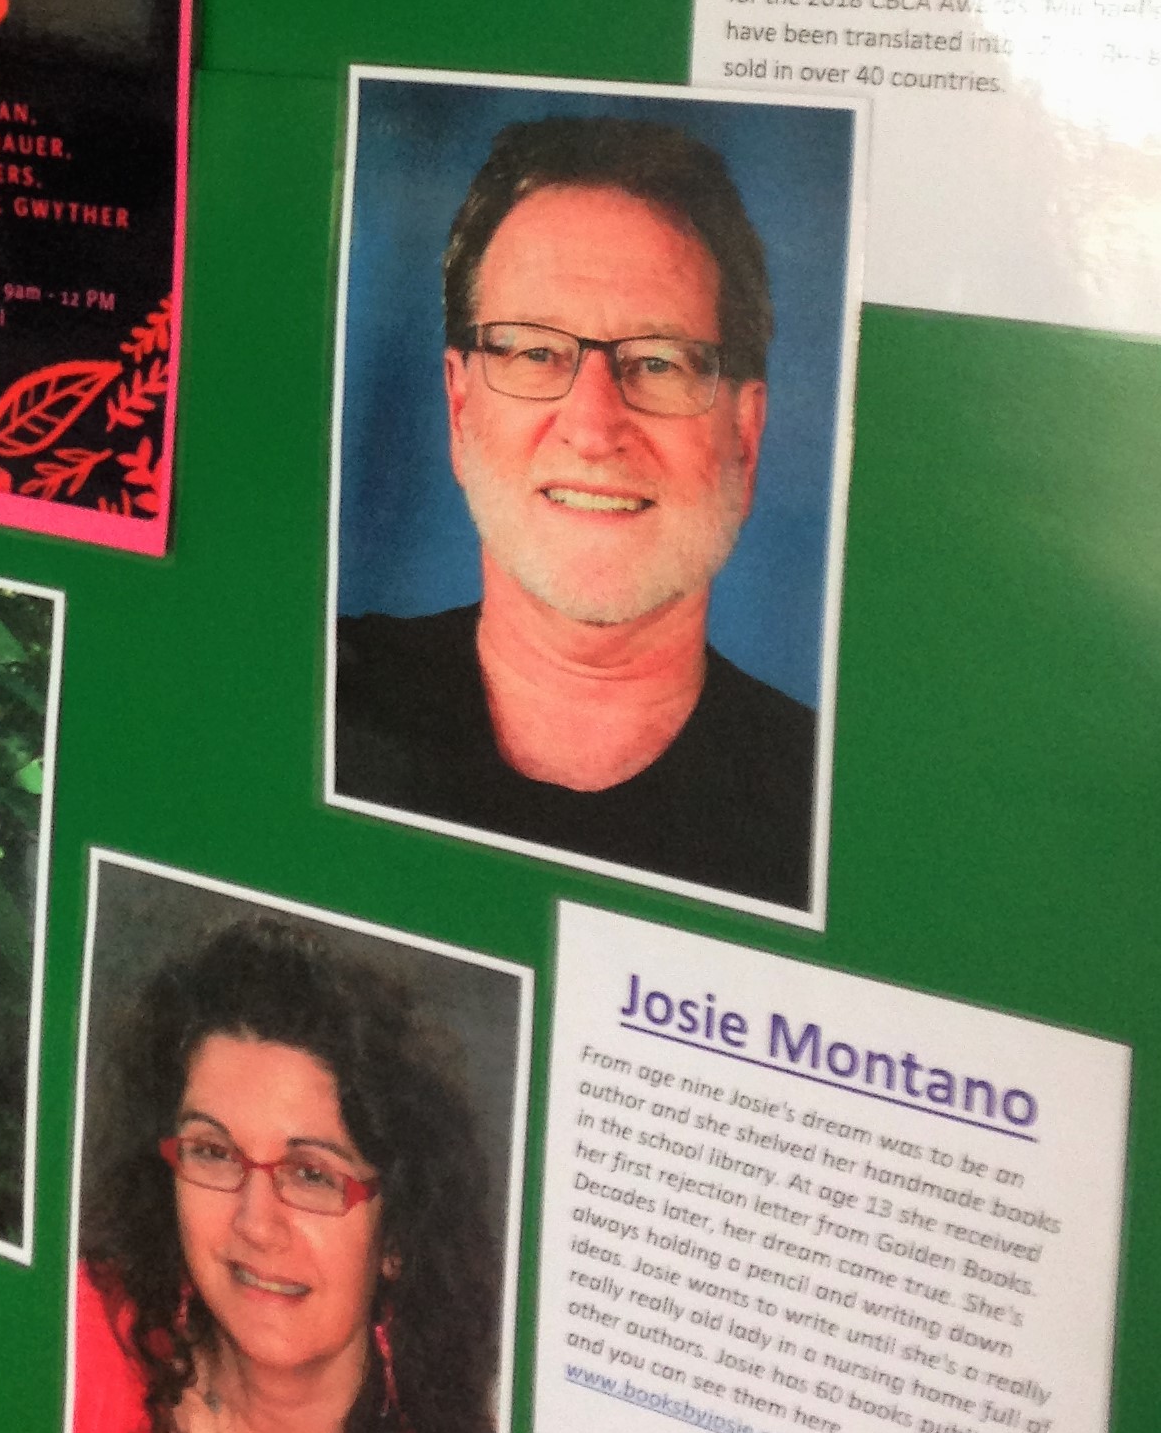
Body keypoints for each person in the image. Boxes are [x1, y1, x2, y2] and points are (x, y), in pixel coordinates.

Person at [333, 117, 815, 911]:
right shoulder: (316, 695)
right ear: (458, 408)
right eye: (533, 352)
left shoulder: (829, 805)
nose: (592, 429)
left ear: (744, 434)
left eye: (657, 362)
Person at [72, 912, 498, 1433]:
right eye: (213, 1152)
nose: (256, 1223)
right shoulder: (79, 1343)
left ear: (398, 1236)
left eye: (312, 1175)